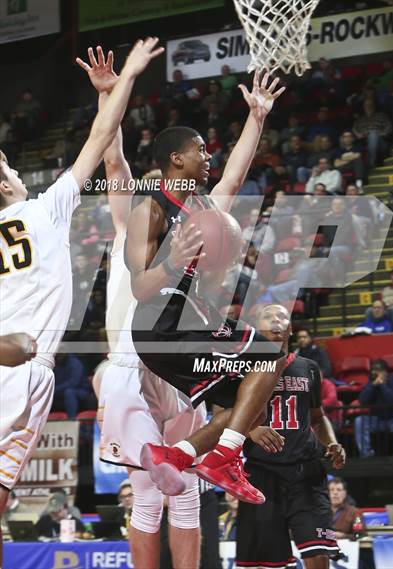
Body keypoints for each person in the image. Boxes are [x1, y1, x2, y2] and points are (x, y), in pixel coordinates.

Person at [0, 37, 164, 565]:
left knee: (2, 490)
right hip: (19, 363)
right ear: (6, 185)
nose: (18, 172)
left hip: (31, 366)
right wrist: (121, 83)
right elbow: (100, 142)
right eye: (10, 169)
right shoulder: (43, 210)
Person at [126, 71, 288, 505]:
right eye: (200, 149)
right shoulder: (151, 209)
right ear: (176, 159)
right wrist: (174, 264)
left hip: (186, 324)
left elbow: (233, 178)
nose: (208, 155)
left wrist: (256, 116)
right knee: (270, 346)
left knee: (248, 401)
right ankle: (224, 458)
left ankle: (174, 455)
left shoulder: (201, 206)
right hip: (160, 325)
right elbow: (140, 287)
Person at [78, 47, 205, 569]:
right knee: (153, 497)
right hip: (136, 361)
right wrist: (109, 95)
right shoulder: (132, 219)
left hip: (175, 361)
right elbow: (113, 159)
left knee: (180, 493)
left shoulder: (195, 227)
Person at [236, 304, 346, 569]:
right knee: (266, 563)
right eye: (268, 316)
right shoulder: (241, 366)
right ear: (255, 327)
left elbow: (318, 418)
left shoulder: (309, 368)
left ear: (291, 328)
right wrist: (250, 429)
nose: (276, 320)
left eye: (282, 316)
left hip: (307, 473)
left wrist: (331, 442)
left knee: (319, 551)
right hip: (261, 474)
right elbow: (223, 414)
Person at [354, 359, 393, 457]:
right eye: (373, 370)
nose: (374, 373)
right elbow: (363, 401)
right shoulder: (372, 383)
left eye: (378, 370)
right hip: (380, 420)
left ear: (386, 372)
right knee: (359, 421)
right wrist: (373, 385)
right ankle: (366, 455)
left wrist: (382, 385)